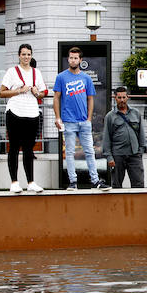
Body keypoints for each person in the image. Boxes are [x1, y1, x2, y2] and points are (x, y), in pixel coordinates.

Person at [53, 47, 110, 191]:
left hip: (84, 122)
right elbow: (56, 97)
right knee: (70, 152)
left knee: (90, 152)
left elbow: (91, 99)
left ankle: (95, 181)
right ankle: (72, 182)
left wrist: (89, 118)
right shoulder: (61, 77)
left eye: (75, 58)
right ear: (68, 59)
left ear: (80, 60)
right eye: (71, 58)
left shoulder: (86, 78)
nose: (73, 60)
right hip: (68, 121)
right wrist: (58, 118)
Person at [0, 44, 47, 193]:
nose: (26, 57)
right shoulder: (12, 72)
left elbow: (43, 92)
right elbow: (2, 92)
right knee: (14, 147)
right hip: (15, 112)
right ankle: (14, 181)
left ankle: (31, 182)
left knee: (28, 148)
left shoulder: (36, 72)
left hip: (32, 113)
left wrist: (36, 92)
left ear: (31, 56)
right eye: (23, 54)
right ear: (19, 55)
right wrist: (19, 91)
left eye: (28, 54)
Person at [102, 86, 147, 188]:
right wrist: (109, 157)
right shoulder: (110, 116)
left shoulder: (135, 113)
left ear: (127, 97)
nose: (122, 100)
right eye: (119, 97)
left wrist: (141, 150)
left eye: (124, 97)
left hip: (134, 154)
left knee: (139, 184)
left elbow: (141, 133)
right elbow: (106, 137)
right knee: (116, 185)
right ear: (115, 98)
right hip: (117, 156)